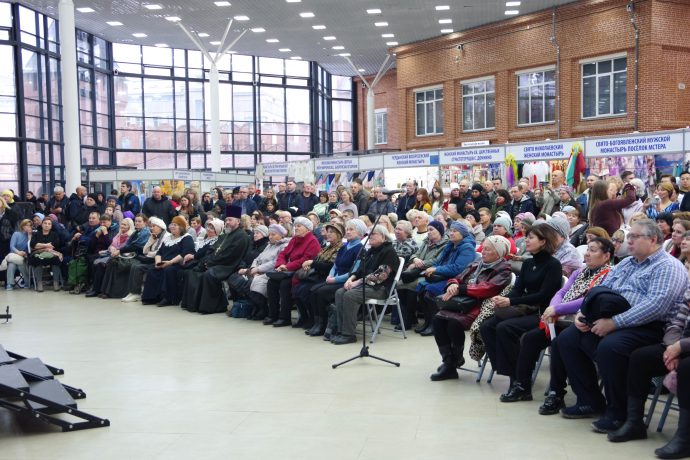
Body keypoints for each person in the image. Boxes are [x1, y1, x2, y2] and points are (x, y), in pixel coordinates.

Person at [554, 219, 687, 433]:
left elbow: (657, 306)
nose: (628, 241)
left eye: (634, 237)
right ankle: (589, 400)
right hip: (613, 319)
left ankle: (618, 412)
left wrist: (615, 323)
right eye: (629, 237)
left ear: (653, 239)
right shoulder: (626, 263)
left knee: (611, 347)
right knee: (568, 338)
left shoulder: (668, 266)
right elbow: (600, 290)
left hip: (651, 326)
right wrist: (583, 313)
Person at [506, 238, 614, 409]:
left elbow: (589, 300)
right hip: (562, 319)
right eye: (587, 249)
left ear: (606, 256)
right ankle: (522, 386)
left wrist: (557, 309)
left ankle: (556, 393)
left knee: (558, 343)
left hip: (584, 323)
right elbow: (561, 292)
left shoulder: (610, 275)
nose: (587, 253)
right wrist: (553, 309)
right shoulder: (580, 272)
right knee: (530, 338)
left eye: (593, 250)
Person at [606, 288, 690, 459]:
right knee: (641, 358)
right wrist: (671, 347)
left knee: (687, 368)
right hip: (680, 345)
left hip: (685, 346)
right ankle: (634, 423)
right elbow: (676, 323)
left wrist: (681, 347)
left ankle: (685, 438)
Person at [480, 223, 563, 396]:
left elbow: (543, 296)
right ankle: (510, 371)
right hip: (524, 308)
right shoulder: (528, 263)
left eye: (531, 237)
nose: (527, 240)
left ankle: (520, 383)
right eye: (527, 237)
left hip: (541, 312)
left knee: (505, 327)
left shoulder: (553, 265)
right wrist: (504, 300)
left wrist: (510, 301)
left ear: (543, 241)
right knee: (487, 326)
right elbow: (518, 289)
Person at [429, 236, 512, 381]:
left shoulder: (504, 270)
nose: (483, 251)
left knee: (453, 323)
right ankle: (449, 361)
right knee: (437, 320)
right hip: (461, 302)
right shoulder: (477, 263)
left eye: (487, 249)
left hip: (481, 305)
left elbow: (488, 289)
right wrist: (453, 284)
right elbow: (458, 277)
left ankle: (451, 364)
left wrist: (460, 289)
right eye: (483, 248)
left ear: (498, 253)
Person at [332, 225, 400, 345]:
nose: (370, 236)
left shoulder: (389, 252)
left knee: (350, 295)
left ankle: (349, 334)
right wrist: (350, 279)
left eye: (374, 234)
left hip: (381, 288)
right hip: (366, 285)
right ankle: (341, 330)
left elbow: (380, 276)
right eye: (369, 234)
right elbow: (359, 270)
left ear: (383, 237)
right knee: (340, 292)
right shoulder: (370, 251)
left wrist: (357, 282)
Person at [181, 206, 251, 314]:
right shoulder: (225, 234)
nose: (227, 222)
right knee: (194, 271)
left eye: (230, 220)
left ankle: (213, 307)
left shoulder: (242, 236)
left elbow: (230, 255)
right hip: (217, 262)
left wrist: (211, 263)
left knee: (209, 274)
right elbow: (213, 248)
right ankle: (193, 304)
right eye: (226, 220)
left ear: (238, 221)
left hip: (230, 265)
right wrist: (207, 261)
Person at [415, 221, 478, 336]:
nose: (451, 233)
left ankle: (435, 325)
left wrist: (436, 269)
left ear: (463, 233)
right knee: (421, 289)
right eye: (450, 231)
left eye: (455, 231)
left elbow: (458, 268)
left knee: (430, 292)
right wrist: (433, 268)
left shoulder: (467, 248)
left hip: (457, 280)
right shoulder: (451, 245)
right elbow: (440, 262)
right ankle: (427, 322)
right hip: (445, 276)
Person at [264, 216, 321, 326]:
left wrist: (287, 266)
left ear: (307, 229)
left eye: (299, 226)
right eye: (295, 226)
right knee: (271, 282)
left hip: (301, 271)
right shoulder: (294, 239)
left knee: (285, 284)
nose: (296, 228)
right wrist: (280, 264)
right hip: (288, 270)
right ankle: (273, 314)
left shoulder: (312, 241)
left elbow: (305, 260)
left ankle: (284, 317)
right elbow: (283, 254)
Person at [397, 220, 449, 330]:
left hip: (430, 273)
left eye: (431, 229)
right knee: (400, 285)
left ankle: (409, 318)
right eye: (428, 229)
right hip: (418, 271)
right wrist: (415, 259)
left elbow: (437, 260)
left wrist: (421, 263)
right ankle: (411, 317)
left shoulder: (445, 245)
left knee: (412, 286)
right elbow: (415, 254)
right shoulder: (426, 242)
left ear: (439, 231)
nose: (428, 232)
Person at [292, 221, 344, 329]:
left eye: (332, 232)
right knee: (297, 288)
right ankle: (305, 317)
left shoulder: (340, 248)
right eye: (328, 231)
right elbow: (317, 260)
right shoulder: (327, 247)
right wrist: (310, 265)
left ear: (339, 234)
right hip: (318, 274)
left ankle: (315, 320)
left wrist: (312, 263)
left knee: (307, 290)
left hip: (327, 276)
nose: (328, 234)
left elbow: (330, 266)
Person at [241, 224, 291, 321]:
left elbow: (275, 262)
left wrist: (258, 269)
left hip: (272, 272)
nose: (270, 237)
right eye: (270, 234)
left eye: (273, 234)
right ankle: (258, 307)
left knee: (255, 282)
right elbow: (257, 258)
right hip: (259, 271)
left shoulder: (284, 246)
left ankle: (263, 308)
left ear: (281, 235)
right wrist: (253, 268)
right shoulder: (269, 245)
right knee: (245, 281)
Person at [99, 214, 151, 299]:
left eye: (139, 221)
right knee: (112, 261)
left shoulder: (146, 232)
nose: (137, 223)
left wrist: (119, 251)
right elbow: (127, 245)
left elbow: (135, 246)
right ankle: (106, 291)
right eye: (136, 221)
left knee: (119, 264)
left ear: (145, 222)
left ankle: (118, 293)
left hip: (139, 257)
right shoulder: (136, 232)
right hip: (131, 255)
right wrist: (117, 251)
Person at [121, 217, 168, 303]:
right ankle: (132, 292)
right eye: (151, 226)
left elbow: (158, 252)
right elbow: (144, 251)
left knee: (138, 267)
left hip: (159, 261)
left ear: (160, 227)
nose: (151, 228)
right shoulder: (154, 236)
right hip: (151, 259)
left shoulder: (166, 236)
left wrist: (149, 253)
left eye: (154, 226)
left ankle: (136, 293)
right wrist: (151, 240)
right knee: (134, 266)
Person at [85, 217, 134, 298]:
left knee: (102, 264)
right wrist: (110, 248)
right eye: (122, 224)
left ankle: (99, 290)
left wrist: (116, 250)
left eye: (125, 225)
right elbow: (111, 245)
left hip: (122, 256)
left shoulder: (130, 236)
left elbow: (127, 249)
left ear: (129, 226)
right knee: (96, 262)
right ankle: (96, 288)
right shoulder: (118, 235)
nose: (122, 226)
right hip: (111, 254)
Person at [28, 217, 64, 292]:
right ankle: (39, 283)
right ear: (42, 224)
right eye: (45, 223)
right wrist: (46, 245)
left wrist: (39, 245)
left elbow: (55, 245)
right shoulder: (36, 234)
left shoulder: (54, 234)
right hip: (38, 254)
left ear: (51, 226)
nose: (47, 225)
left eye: (49, 224)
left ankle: (56, 283)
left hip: (51, 254)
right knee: (38, 260)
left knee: (56, 259)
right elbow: (33, 244)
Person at [5, 219, 32, 290]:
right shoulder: (16, 234)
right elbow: (12, 246)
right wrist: (18, 252)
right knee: (11, 265)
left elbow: (30, 249)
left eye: (30, 226)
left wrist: (29, 237)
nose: (28, 227)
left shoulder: (30, 236)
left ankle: (27, 282)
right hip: (14, 255)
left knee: (21, 264)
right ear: (22, 226)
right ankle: (10, 284)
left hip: (24, 257)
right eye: (27, 225)